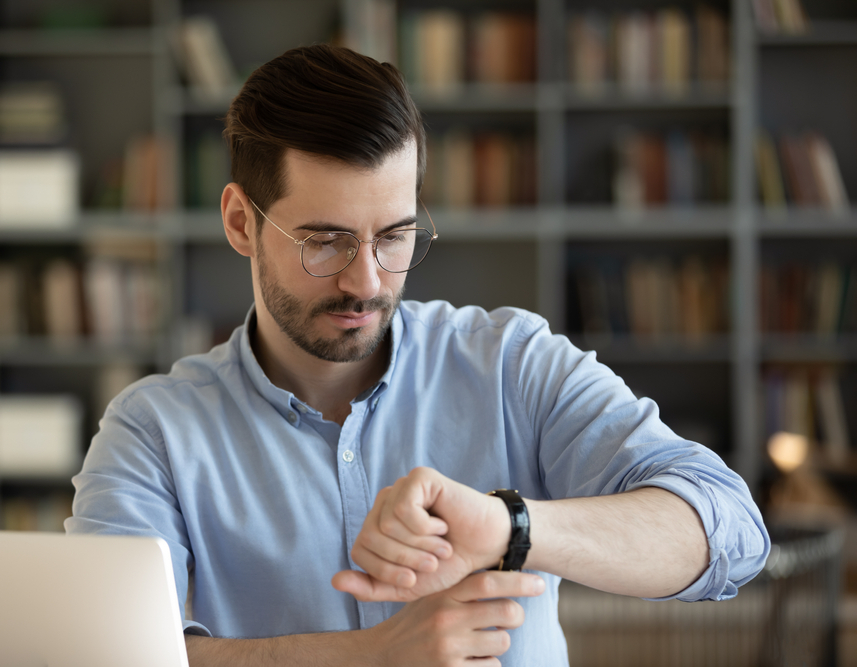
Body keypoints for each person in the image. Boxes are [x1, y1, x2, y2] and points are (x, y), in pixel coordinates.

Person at [65, 43, 769, 666]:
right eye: (326, 240)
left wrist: (510, 524)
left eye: (395, 235)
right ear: (240, 222)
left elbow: (729, 529)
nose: (367, 280)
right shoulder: (151, 432)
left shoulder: (512, 364)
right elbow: (102, 651)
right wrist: (366, 658)